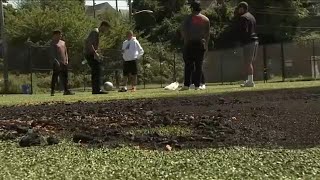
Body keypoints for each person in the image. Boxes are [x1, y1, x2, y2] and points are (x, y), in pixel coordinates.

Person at [180, 0, 210, 91]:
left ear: (192, 8)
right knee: (199, 65)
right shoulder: (206, 19)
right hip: (200, 43)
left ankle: (186, 85)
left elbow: (184, 32)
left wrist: (185, 44)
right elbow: (207, 34)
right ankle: (197, 85)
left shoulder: (188, 18)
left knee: (188, 65)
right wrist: (206, 45)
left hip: (190, 43)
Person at [236, 2, 259, 87]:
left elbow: (244, 31)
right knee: (249, 62)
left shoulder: (243, 17)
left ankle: (250, 82)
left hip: (248, 42)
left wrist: (240, 42)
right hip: (254, 40)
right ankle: (249, 80)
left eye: (239, 8)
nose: (238, 10)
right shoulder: (252, 17)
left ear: (243, 8)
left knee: (247, 62)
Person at [84, 21, 110, 94]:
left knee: (96, 71)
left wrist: (98, 52)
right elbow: (89, 43)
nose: (105, 31)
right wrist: (95, 53)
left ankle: (96, 89)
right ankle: (97, 90)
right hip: (90, 54)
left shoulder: (96, 32)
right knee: (97, 70)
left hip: (91, 53)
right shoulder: (95, 32)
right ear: (103, 26)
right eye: (106, 29)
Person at [50, 30, 74, 96]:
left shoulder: (63, 43)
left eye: (60, 34)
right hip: (57, 63)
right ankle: (52, 91)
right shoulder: (52, 43)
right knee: (55, 77)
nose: (60, 36)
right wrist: (56, 61)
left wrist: (66, 60)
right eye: (58, 34)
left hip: (64, 62)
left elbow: (65, 52)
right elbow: (52, 54)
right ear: (54, 35)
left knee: (65, 77)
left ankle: (66, 91)